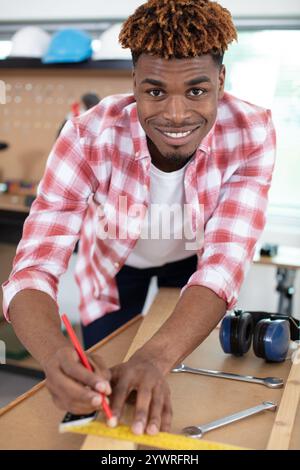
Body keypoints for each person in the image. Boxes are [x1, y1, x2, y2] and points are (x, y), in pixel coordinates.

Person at [2, 0, 276, 436]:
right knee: (100, 380)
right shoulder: (87, 136)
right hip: (113, 263)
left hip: (192, 261)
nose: (175, 114)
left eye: (197, 91)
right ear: (133, 82)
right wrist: (54, 355)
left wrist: (155, 357)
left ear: (221, 81)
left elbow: (223, 265)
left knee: (171, 371)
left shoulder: (251, 132)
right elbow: (32, 269)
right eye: (154, 92)